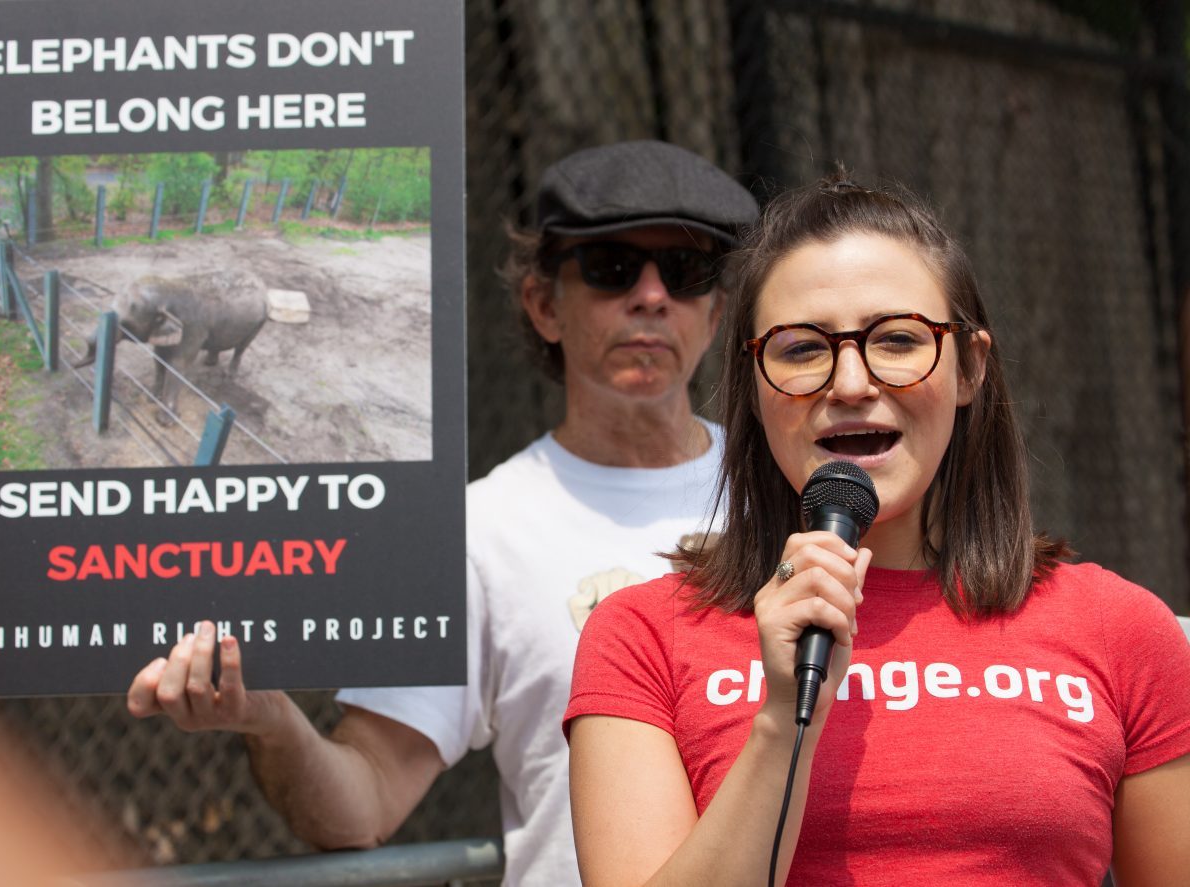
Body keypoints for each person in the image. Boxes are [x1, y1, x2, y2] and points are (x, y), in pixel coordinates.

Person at [127, 140, 760, 885]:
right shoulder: (477, 534)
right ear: (544, 304)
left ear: (717, 312)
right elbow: (363, 800)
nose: (652, 296)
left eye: (684, 274)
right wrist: (269, 716)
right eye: (611, 268)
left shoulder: (794, 496)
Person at [565, 174, 1190, 885]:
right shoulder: (642, 637)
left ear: (970, 366)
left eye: (897, 339)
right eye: (801, 349)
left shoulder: (1120, 628)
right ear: (753, 385)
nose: (852, 381)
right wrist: (779, 721)